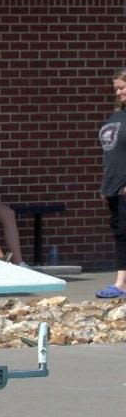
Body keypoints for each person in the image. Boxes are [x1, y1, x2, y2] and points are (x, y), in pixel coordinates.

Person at [96, 68, 126, 298]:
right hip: (113, 186)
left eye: (122, 87)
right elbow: (112, 153)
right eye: (116, 88)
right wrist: (105, 185)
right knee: (120, 233)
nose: (119, 92)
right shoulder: (116, 115)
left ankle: (120, 284)